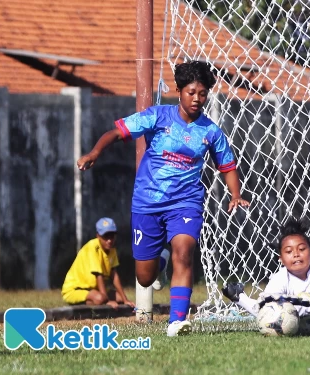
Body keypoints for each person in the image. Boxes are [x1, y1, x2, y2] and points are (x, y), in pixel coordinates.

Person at [77, 61, 249, 336]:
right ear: (179, 91)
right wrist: (95, 152)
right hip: (147, 203)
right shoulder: (157, 117)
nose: (197, 99)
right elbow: (116, 132)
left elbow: (227, 165)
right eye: (191, 92)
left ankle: (177, 321)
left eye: (202, 93)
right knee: (145, 277)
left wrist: (235, 194)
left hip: (186, 201)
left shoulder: (210, 131)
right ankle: (162, 260)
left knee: (185, 252)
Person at [222, 218, 310, 335]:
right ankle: (237, 295)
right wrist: (240, 298)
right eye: (289, 251)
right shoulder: (278, 280)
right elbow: (264, 312)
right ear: (281, 259)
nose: (296, 254)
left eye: (302, 249)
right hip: (306, 326)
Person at [61, 217, 135, 308]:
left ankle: (98, 301)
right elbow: (98, 275)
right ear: (98, 236)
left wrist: (125, 300)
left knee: (119, 299)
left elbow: (114, 275)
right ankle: (82, 305)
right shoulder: (92, 247)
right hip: (76, 290)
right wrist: (106, 301)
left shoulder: (112, 250)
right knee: (100, 299)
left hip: (94, 290)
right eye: (106, 236)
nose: (109, 240)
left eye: (112, 236)